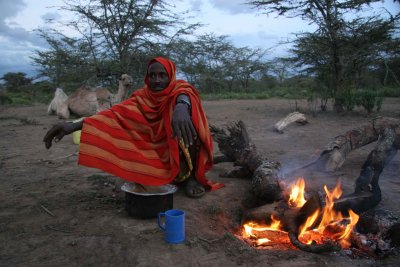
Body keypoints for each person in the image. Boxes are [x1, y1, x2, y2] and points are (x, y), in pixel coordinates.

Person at [43, 57, 223, 198]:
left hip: (182, 152)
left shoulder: (181, 90)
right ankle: (163, 174)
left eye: (162, 75)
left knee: (189, 122)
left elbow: (186, 93)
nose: (157, 80)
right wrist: (73, 126)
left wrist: (182, 107)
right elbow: (112, 115)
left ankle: (190, 178)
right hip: (159, 153)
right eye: (152, 75)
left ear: (171, 76)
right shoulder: (141, 98)